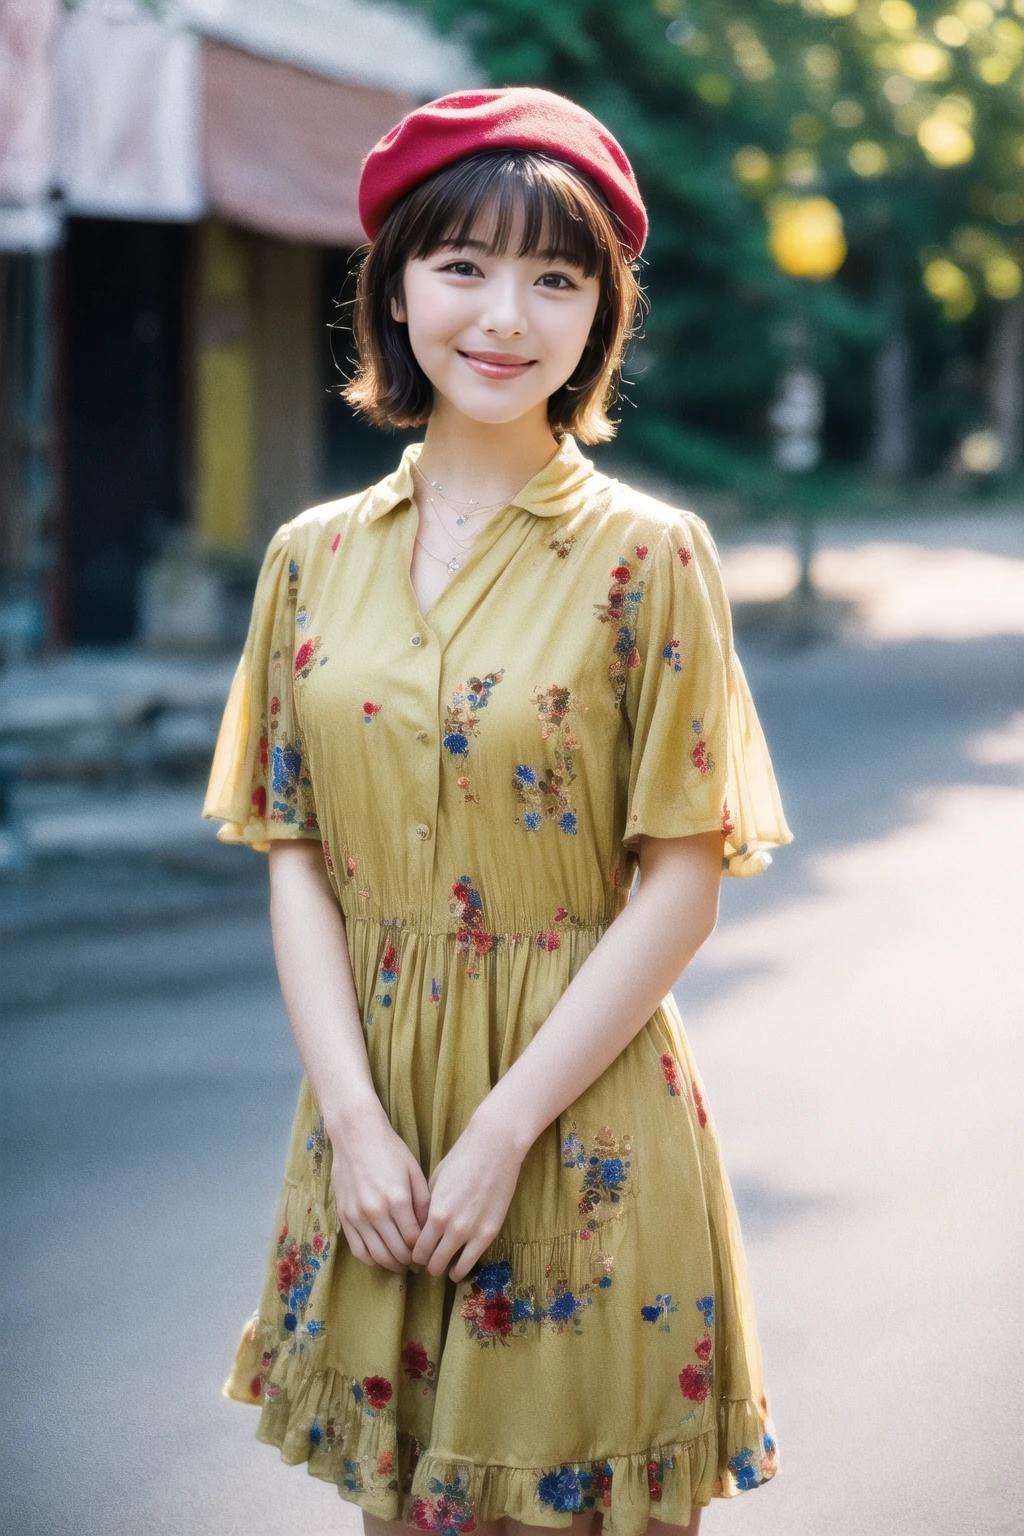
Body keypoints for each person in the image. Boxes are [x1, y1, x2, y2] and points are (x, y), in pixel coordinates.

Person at [203, 86, 793, 1536]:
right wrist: (355, 1120)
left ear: (601, 312)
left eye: (556, 275)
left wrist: (499, 1134)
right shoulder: (309, 559)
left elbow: (681, 879)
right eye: (464, 264)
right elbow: (294, 853)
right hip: (374, 1128)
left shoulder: (651, 559)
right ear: (395, 286)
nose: (504, 315)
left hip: (576, 1122)